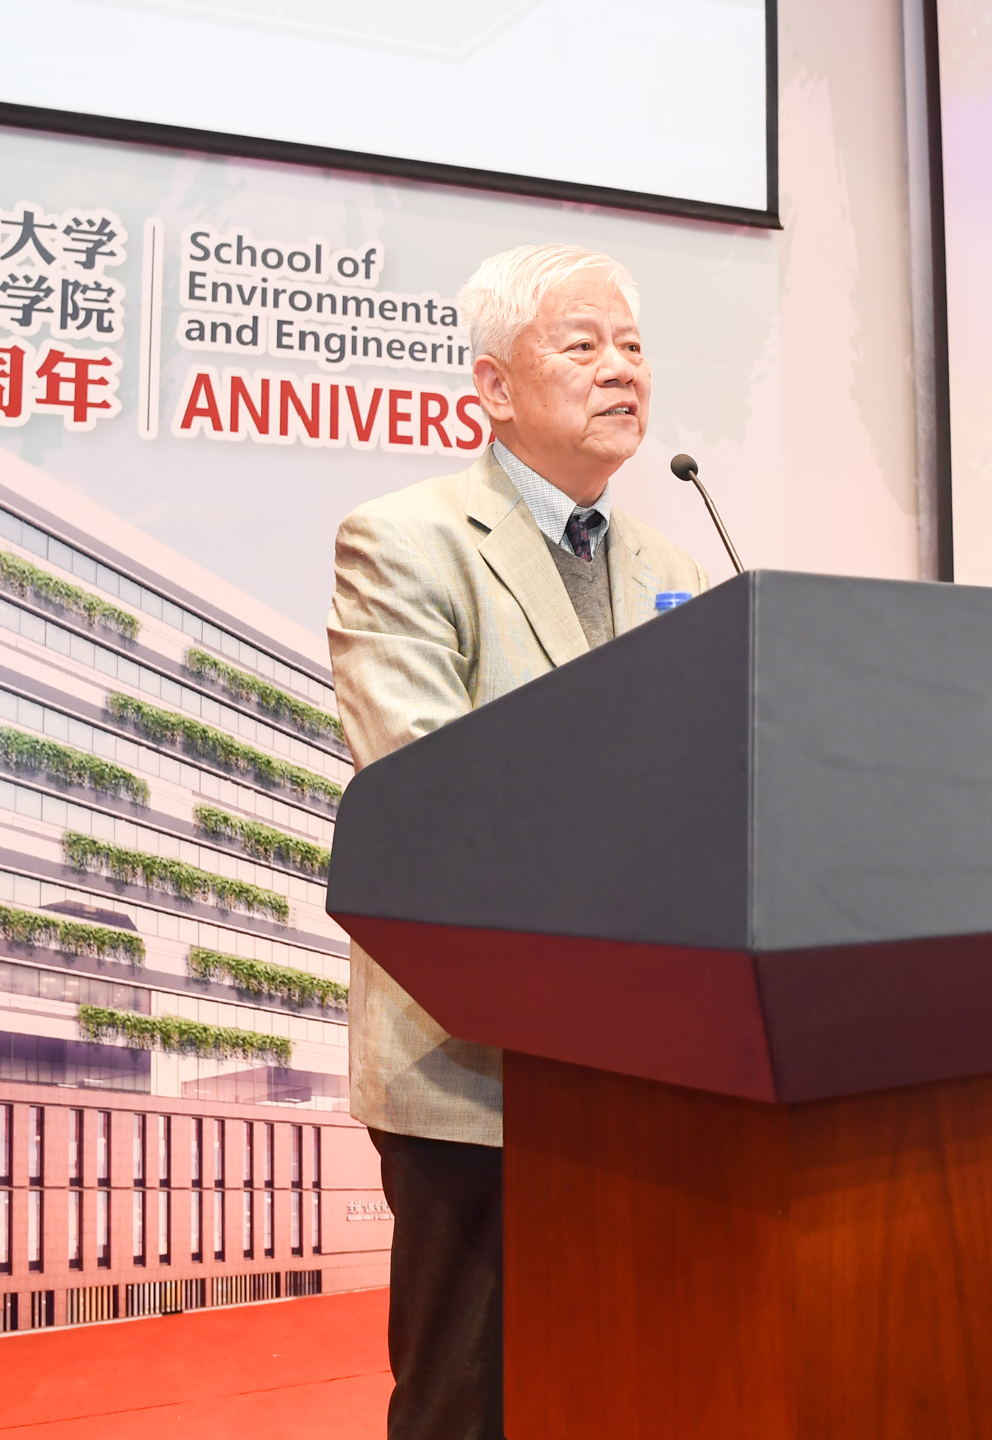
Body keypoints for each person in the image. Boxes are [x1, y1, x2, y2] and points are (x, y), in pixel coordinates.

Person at [322, 244, 709, 1440]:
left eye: (631, 345)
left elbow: (709, 781)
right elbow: (429, 784)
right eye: (581, 345)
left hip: (647, 1063)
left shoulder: (673, 565)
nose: (619, 369)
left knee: (636, 1385)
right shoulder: (404, 539)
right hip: (477, 1059)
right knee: (471, 1402)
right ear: (492, 385)